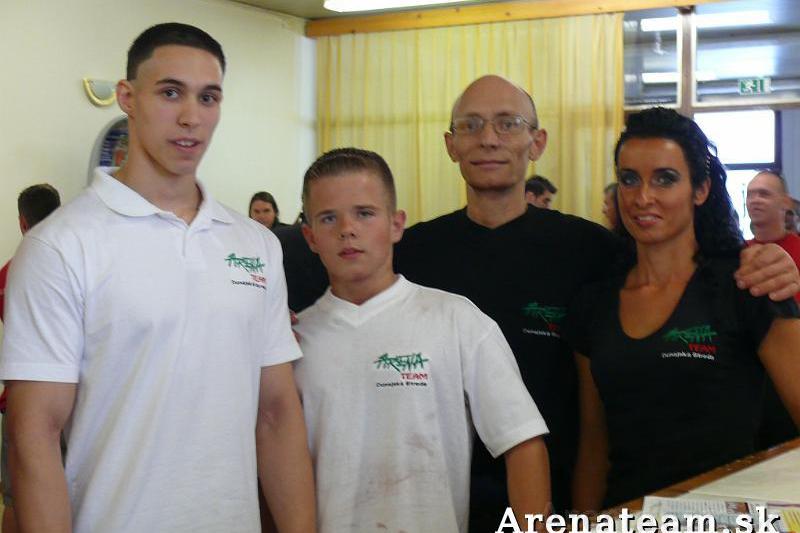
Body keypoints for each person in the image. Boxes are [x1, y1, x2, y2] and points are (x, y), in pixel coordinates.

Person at [282, 75, 800, 527]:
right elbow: (329, 313)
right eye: (471, 125)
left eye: (508, 123)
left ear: (538, 141)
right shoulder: (408, 251)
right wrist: (276, 323)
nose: (489, 139)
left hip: (569, 498)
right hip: (437, 498)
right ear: (450, 144)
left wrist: (771, 261)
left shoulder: (592, 251)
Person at [0, 23, 315, 533]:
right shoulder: (61, 246)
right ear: (127, 97)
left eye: (208, 97)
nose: (191, 116)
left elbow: (276, 413)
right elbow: (34, 435)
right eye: (170, 93)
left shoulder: (254, 244)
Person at [294, 147, 550, 532]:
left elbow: (522, 441)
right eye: (329, 218)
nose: (347, 229)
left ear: (397, 224)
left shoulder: (456, 320)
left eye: (364, 213)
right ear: (310, 237)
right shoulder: (294, 342)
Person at [568, 107, 800, 510]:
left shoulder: (747, 286)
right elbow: (594, 447)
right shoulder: (595, 303)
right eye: (629, 179)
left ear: (701, 189)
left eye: (665, 179)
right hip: (627, 517)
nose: (643, 197)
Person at [0, 183, 61, 533]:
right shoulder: (76, 268)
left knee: (15, 498)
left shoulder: (7, 273)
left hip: (19, 401)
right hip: (68, 403)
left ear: (23, 222)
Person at [745, 170, 800, 448]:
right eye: (750, 194)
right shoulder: (738, 255)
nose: (755, 200)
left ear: (785, 203)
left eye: (764, 194)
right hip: (750, 378)